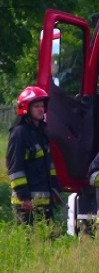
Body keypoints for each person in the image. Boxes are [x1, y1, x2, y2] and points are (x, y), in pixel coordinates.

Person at [6, 86, 62, 225]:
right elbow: (15, 168)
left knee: (48, 242)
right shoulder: (20, 134)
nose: (41, 109)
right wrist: (24, 197)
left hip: (45, 202)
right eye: (36, 106)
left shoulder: (41, 134)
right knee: (29, 242)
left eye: (42, 106)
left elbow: (49, 167)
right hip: (26, 205)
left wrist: (54, 189)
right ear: (26, 108)